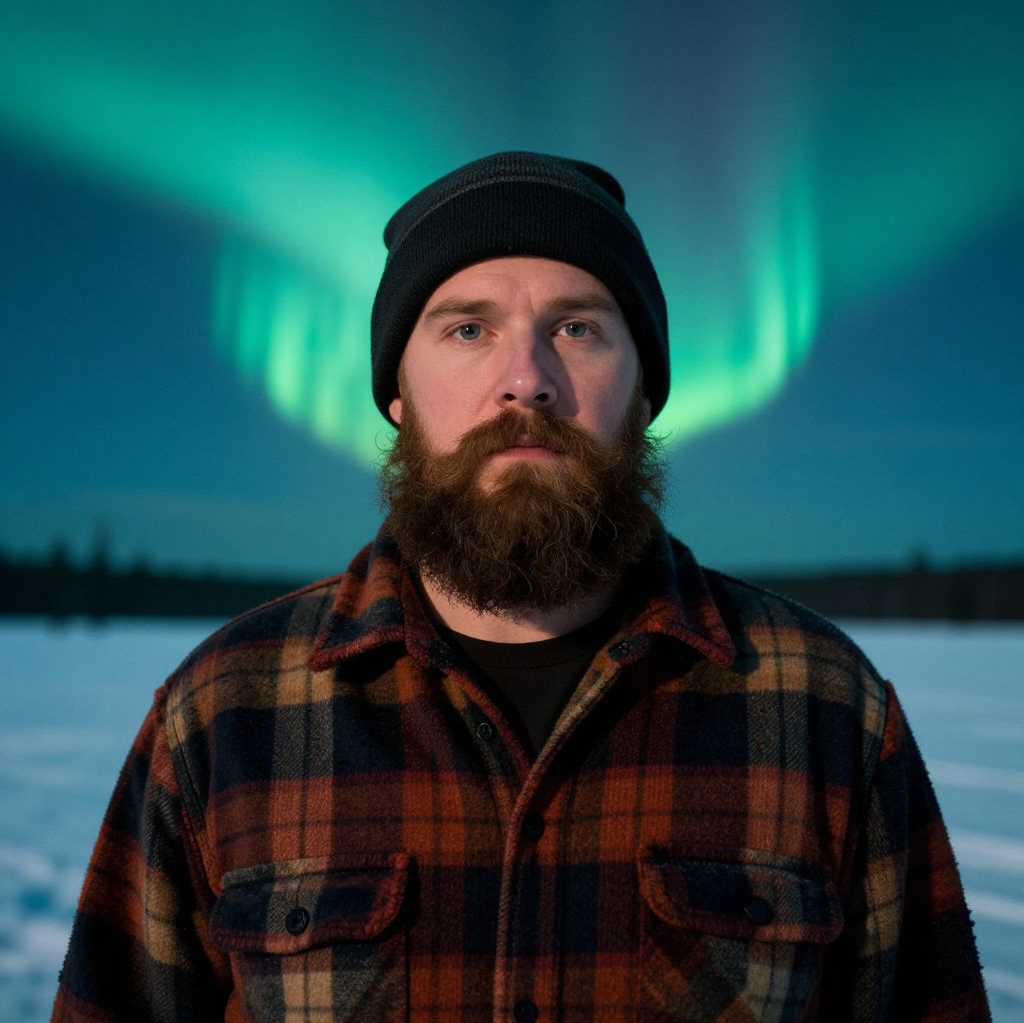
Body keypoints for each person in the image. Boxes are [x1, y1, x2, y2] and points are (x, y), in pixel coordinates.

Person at [52, 152, 990, 1022]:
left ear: (646, 390)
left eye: (577, 329)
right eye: (468, 328)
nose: (526, 381)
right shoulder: (224, 712)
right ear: (397, 395)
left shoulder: (821, 702)